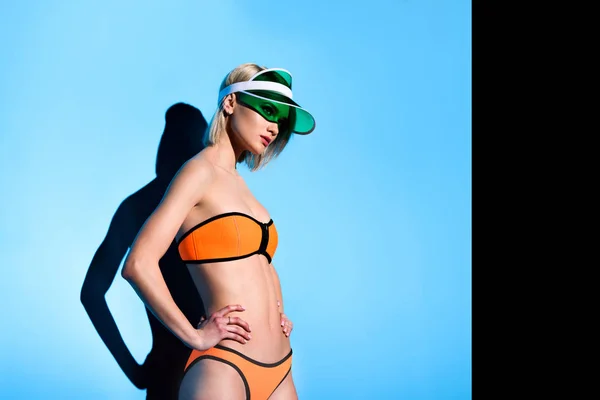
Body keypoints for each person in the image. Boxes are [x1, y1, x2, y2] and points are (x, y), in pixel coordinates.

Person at [121, 63, 316, 400]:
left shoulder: (241, 186)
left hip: (281, 368)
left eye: (280, 121)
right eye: (267, 110)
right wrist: (193, 337)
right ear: (230, 104)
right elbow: (138, 264)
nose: (273, 126)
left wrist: (277, 313)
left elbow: (256, 266)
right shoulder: (198, 172)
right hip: (227, 366)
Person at [81, 103, 208, 399]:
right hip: (204, 364)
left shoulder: (137, 205)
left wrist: (135, 371)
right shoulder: (206, 205)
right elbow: (91, 292)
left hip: (173, 367)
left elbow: (91, 292)